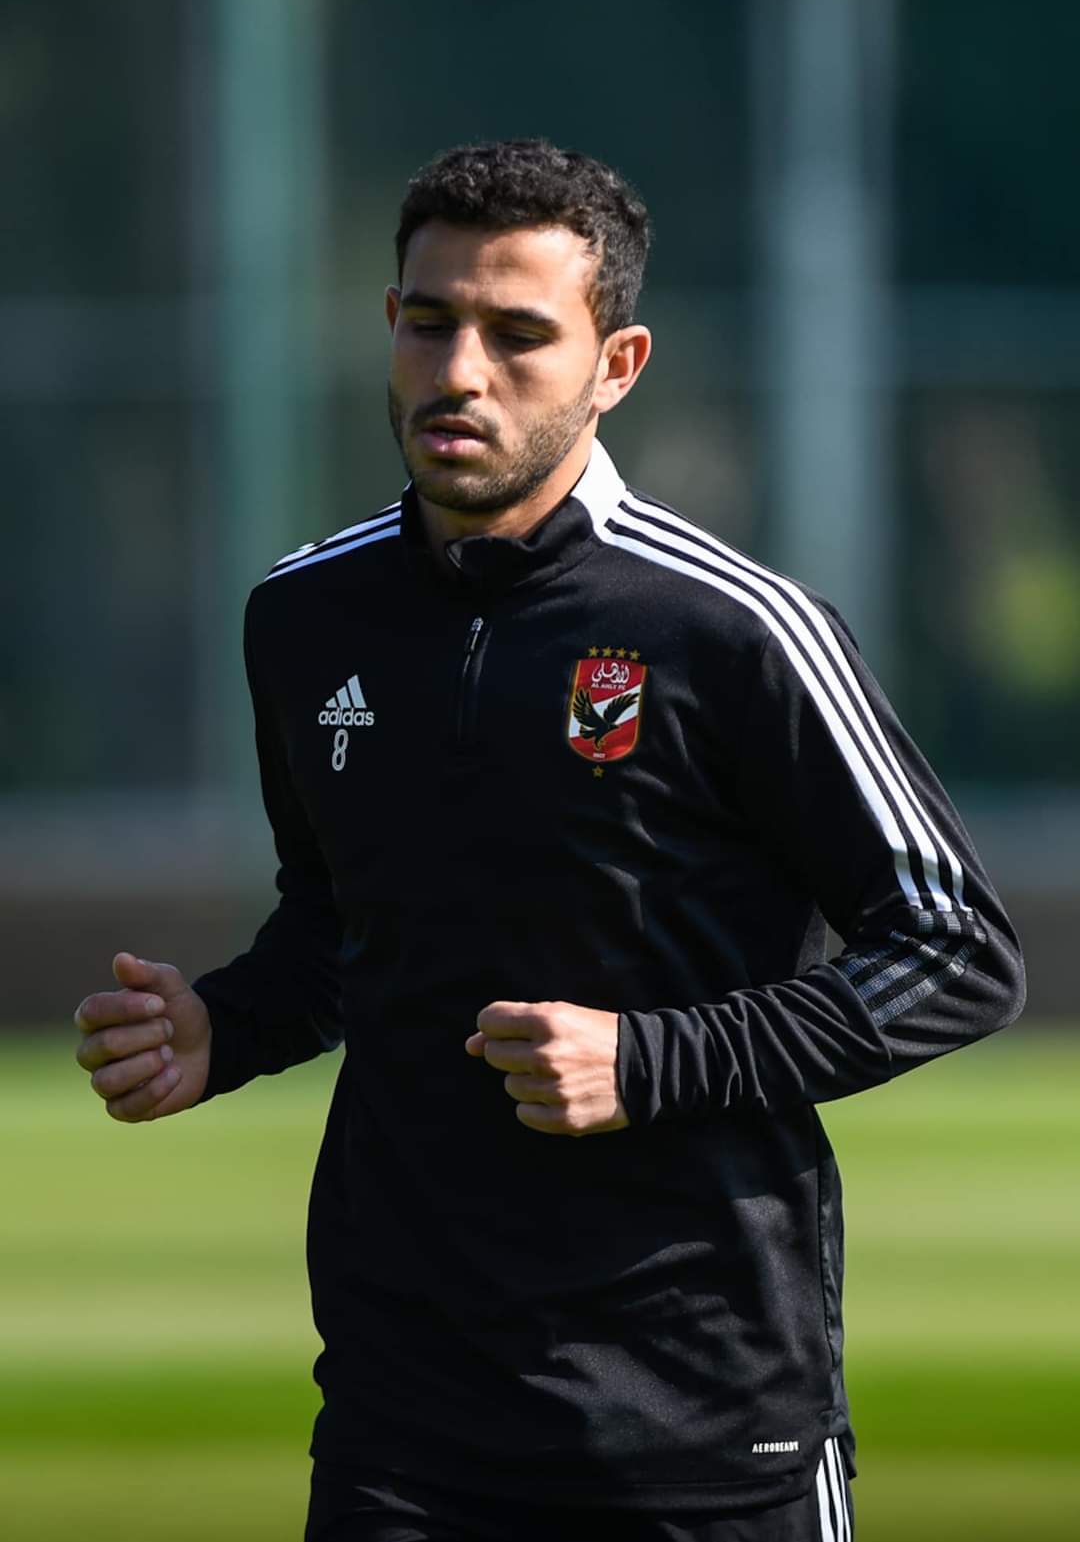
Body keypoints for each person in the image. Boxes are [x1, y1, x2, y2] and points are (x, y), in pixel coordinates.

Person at [74, 139, 1024, 1542]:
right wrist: (226, 1026)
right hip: (403, 1425)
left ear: (615, 364)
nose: (460, 371)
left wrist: (650, 1061)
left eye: (518, 335)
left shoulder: (735, 631)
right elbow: (342, 930)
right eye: (428, 321)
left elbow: (958, 950)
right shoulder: (305, 616)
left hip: (705, 1424)